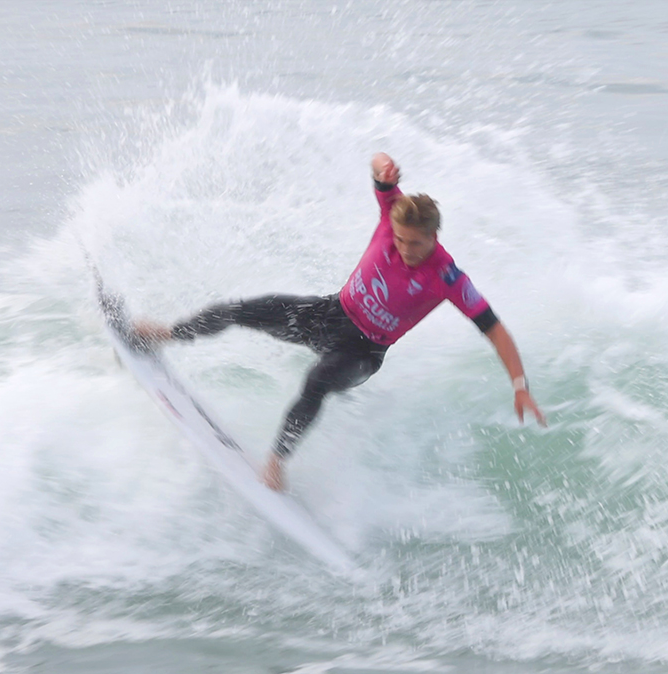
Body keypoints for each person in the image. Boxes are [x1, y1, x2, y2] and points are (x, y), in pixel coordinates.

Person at [133, 153, 546, 491]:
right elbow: (378, 168)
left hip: (363, 351)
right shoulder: (391, 215)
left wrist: (520, 386)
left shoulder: (448, 277)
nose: (404, 249)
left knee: (317, 381)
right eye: (399, 240)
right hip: (329, 314)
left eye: (415, 243)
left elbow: (495, 329)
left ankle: (276, 462)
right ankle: (168, 334)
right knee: (242, 310)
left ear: (435, 238)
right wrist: (382, 167)